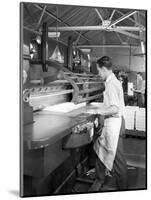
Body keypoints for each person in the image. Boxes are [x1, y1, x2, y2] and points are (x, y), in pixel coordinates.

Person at [89, 56, 127, 191]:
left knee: (117, 159)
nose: (99, 74)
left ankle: (124, 189)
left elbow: (115, 108)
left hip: (115, 124)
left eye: (99, 71)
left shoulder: (111, 84)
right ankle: (99, 179)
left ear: (104, 69)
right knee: (101, 149)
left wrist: (98, 110)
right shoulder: (113, 81)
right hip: (115, 122)